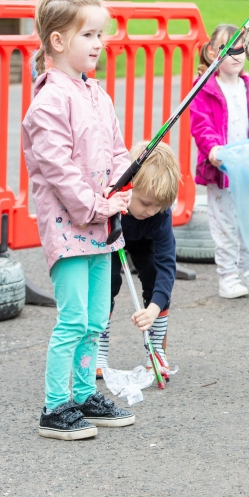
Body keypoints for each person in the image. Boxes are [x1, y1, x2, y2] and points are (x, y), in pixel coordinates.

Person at [22, 0, 135, 440]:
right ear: (58, 41)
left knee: (96, 320)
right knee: (72, 320)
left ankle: (86, 392)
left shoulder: (97, 94)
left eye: (100, 35)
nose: (99, 44)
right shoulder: (49, 101)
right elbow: (58, 167)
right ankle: (55, 405)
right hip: (68, 228)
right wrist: (95, 204)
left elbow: (118, 150)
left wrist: (124, 184)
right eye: (89, 35)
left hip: (103, 224)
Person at [190, 24, 249, 299]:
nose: (236, 55)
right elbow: (200, 123)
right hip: (222, 172)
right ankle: (227, 276)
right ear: (212, 53)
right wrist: (212, 149)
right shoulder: (205, 87)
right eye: (228, 50)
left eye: (240, 49)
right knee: (225, 224)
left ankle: (247, 269)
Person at [96, 141, 180, 379]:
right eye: (145, 203)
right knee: (106, 283)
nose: (152, 211)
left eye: (159, 206)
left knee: (155, 277)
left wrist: (153, 309)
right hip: (114, 231)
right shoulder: (114, 193)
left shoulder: (159, 215)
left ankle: (155, 352)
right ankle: (98, 352)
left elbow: (167, 266)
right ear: (130, 186)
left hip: (146, 240)